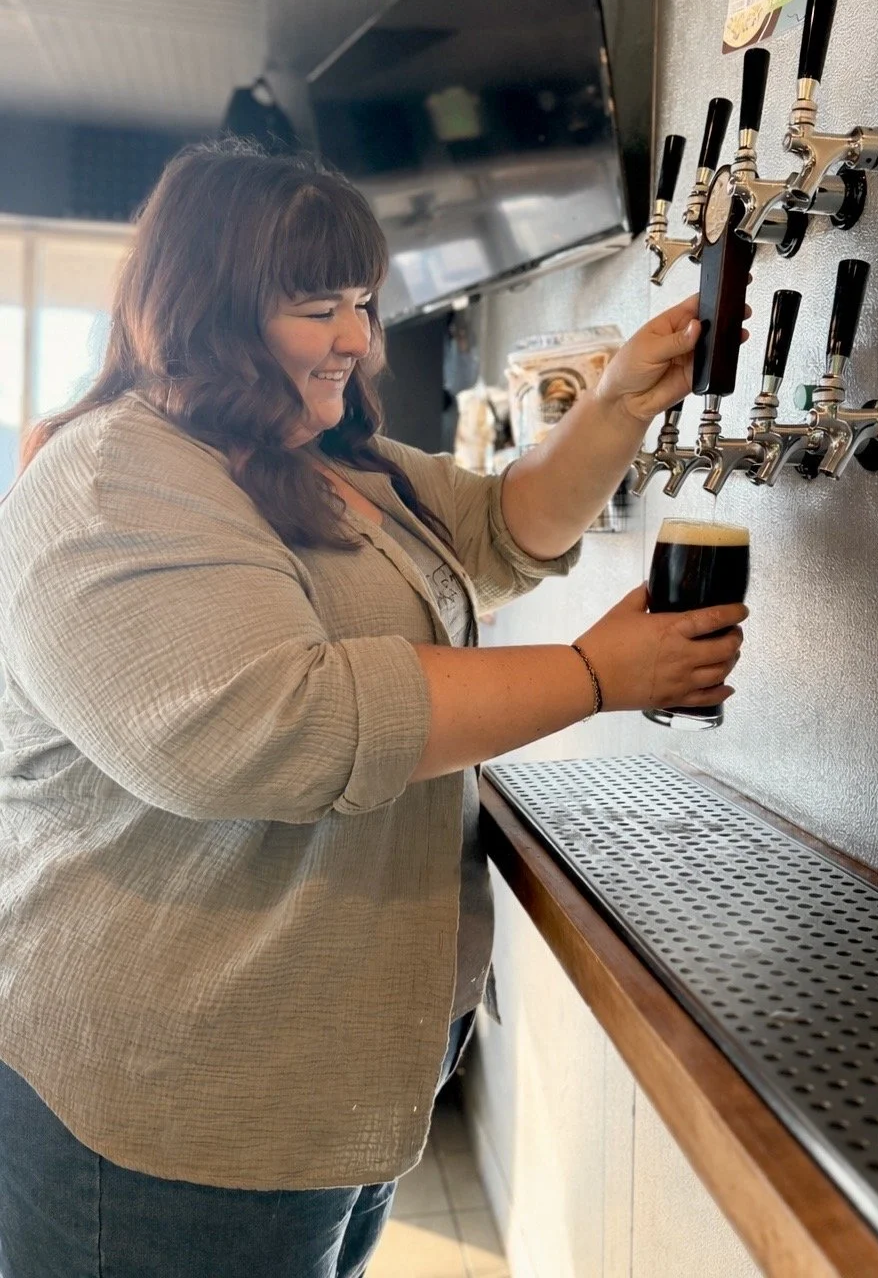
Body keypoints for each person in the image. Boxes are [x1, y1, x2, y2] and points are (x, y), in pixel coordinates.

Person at [0, 139, 746, 1278]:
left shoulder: (317, 458)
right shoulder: (113, 476)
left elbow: (501, 531)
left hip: (323, 1069)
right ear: (202, 307)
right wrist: (600, 675)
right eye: (315, 307)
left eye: (360, 301)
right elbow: (271, 725)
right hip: (175, 1094)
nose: (357, 337)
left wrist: (614, 408)